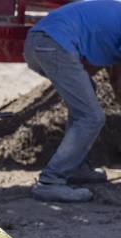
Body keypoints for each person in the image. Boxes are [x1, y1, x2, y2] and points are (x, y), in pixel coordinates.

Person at [23, 0, 121, 202]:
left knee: (86, 102)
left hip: (41, 42)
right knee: (91, 117)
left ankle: (75, 167)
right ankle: (50, 182)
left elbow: (113, 74)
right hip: (51, 44)